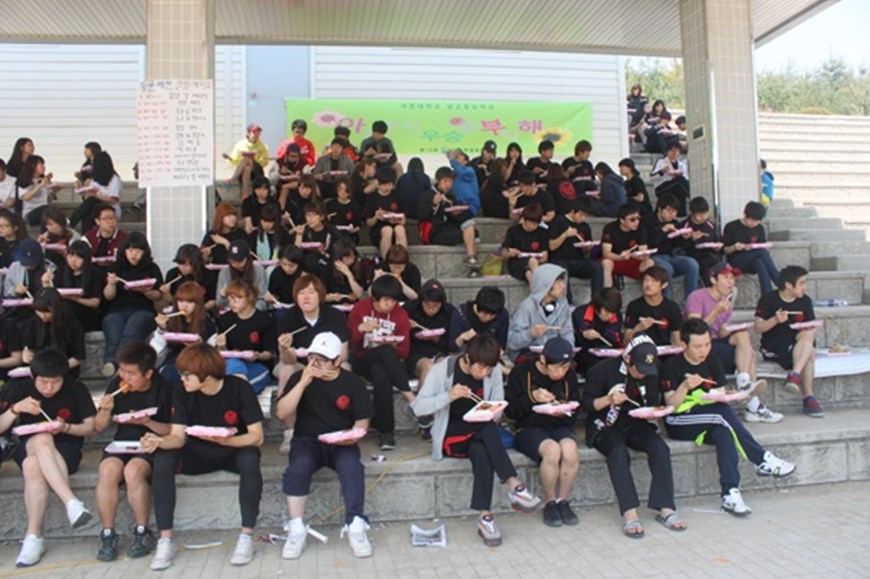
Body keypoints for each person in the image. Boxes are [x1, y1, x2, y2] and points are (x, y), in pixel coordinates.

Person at [411, 334, 542, 547]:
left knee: (482, 448)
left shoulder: (492, 371)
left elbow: (497, 407)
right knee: (486, 428)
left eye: (489, 368)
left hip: (480, 434)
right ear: (467, 358)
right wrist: (449, 396)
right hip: (450, 436)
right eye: (481, 367)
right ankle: (513, 484)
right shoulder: (442, 370)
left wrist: (493, 411)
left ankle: (485, 517)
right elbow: (418, 408)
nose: (485, 373)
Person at [142, 344, 264, 570]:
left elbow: (257, 436)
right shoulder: (182, 391)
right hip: (196, 451)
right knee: (163, 458)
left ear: (206, 376)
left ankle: (246, 535)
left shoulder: (239, 388)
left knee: (250, 457)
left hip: (231, 449)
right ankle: (166, 539)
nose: (183, 379)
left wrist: (227, 441)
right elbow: (177, 437)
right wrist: (158, 441)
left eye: (187, 375)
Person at [662, 318, 795, 516]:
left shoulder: (712, 360)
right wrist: (685, 386)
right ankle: (761, 459)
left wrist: (732, 395)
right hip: (679, 420)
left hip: (709, 416)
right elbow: (671, 405)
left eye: (707, 344)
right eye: (698, 346)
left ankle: (730, 493)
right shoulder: (672, 365)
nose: (703, 350)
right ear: (684, 344)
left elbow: (719, 394)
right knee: (721, 414)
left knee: (724, 433)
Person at [276, 332, 374, 559]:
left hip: (341, 440)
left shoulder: (352, 383)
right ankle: (297, 528)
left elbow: (362, 421)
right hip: (307, 440)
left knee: (352, 467)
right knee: (298, 467)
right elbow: (282, 413)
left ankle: (355, 524)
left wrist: (352, 436)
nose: (315, 364)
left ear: (337, 360)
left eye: (322, 360)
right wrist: (302, 383)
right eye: (312, 357)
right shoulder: (299, 378)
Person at [0, 348, 97, 567]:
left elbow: (90, 427)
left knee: (33, 465)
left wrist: (66, 427)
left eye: (56, 382)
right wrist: (15, 409)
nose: (49, 388)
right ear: (33, 377)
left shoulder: (76, 389)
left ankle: (33, 537)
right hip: (27, 445)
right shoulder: (18, 389)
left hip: (66, 449)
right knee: (41, 438)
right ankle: (71, 502)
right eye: (44, 382)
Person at [582, 337, 687, 537]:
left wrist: (654, 411)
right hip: (605, 424)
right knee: (618, 451)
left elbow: (652, 400)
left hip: (636, 422)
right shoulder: (603, 370)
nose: (642, 374)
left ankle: (666, 508)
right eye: (638, 369)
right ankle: (630, 513)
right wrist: (609, 399)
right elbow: (587, 405)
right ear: (628, 359)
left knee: (659, 447)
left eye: (646, 370)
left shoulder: (650, 372)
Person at [93, 341, 172, 562]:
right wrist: (105, 410)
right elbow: (99, 427)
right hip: (121, 443)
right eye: (122, 371)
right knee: (107, 471)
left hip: (150, 442)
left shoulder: (164, 388)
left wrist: (148, 422)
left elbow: (172, 430)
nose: (124, 377)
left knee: (133, 471)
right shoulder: (116, 386)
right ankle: (108, 533)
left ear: (148, 373)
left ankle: (142, 530)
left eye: (131, 373)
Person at [685, 263, 781, 425]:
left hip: (716, 343)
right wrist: (716, 312)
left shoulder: (726, 301)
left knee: (744, 338)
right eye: (726, 277)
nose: (731, 282)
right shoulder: (697, 297)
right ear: (713, 279)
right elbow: (693, 331)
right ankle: (753, 406)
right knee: (749, 354)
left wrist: (732, 329)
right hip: (699, 347)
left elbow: (721, 332)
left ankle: (744, 383)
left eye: (732, 278)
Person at [505, 336, 581, 527]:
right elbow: (511, 410)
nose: (561, 373)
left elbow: (575, 410)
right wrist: (532, 398)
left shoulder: (569, 376)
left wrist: (562, 411)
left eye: (565, 368)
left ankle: (563, 500)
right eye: (556, 368)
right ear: (543, 360)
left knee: (570, 449)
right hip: (529, 427)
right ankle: (550, 501)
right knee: (552, 450)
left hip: (558, 425)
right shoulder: (521, 372)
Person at [274, 274, 351, 453]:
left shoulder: (335, 316)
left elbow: (343, 353)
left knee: (345, 368)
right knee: (286, 370)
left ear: (321, 295)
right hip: (299, 364)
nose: (306, 297)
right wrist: (284, 348)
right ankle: (290, 432)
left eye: (311, 292)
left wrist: (325, 366)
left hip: (330, 364)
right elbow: (287, 360)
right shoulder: (287, 318)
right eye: (301, 293)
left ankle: (341, 426)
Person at [348, 274, 417, 450]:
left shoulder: (400, 314)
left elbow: (405, 352)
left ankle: (386, 433)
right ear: (375, 299)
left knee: (381, 371)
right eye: (386, 300)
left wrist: (393, 345)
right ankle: (411, 398)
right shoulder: (360, 308)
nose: (390, 304)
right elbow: (347, 343)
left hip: (386, 363)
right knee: (384, 354)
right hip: (361, 359)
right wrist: (361, 329)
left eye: (394, 300)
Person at [754, 265, 822, 417]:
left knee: (808, 335)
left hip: (798, 340)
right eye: (802, 283)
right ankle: (808, 398)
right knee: (809, 353)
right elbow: (758, 328)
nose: (805, 287)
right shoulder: (768, 299)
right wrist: (775, 320)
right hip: (775, 344)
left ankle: (794, 375)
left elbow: (810, 327)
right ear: (788, 285)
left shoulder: (805, 301)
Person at [101, 232, 163, 376]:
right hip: (116, 310)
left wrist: (147, 291)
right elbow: (108, 296)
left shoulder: (152, 268)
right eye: (130, 250)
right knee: (113, 333)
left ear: (144, 252)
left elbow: (159, 295)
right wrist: (111, 284)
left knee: (132, 331)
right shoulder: (115, 267)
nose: (133, 254)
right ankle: (111, 365)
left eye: (138, 251)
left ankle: (120, 365)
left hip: (143, 310)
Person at [417, 166, 481, 276]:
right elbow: (421, 216)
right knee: (469, 234)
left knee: (473, 230)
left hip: (447, 228)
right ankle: (472, 263)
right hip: (434, 231)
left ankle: (472, 260)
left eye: (450, 181)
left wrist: (455, 213)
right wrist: (433, 204)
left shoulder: (451, 196)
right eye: (445, 181)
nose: (448, 184)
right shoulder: (427, 195)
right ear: (438, 181)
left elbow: (452, 219)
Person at [216, 279, 275, 394]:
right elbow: (222, 353)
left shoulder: (264, 320)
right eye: (230, 298)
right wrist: (221, 346)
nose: (232, 302)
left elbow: (270, 353)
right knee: (233, 367)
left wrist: (257, 355)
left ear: (249, 298)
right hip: (232, 364)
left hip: (258, 365)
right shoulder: (225, 319)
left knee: (237, 387)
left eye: (237, 298)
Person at [507, 263, 573, 363]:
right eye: (558, 283)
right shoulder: (527, 307)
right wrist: (530, 334)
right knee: (536, 365)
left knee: (567, 365)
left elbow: (567, 333)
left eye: (563, 282)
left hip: (553, 353)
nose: (563, 286)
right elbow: (512, 342)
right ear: (546, 284)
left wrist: (568, 349)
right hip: (529, 352)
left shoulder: (563, 305)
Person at [155, 280, 215, 385]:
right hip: (173, 359)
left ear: (197, 304)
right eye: (180, 301)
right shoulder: (171, 319)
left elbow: (212, 351)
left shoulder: (206, 322)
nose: (184, 306)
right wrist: (162, 328)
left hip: (196, 360)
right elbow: (157, 348)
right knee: (167, 372)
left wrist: (200, 346)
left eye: (189, 302)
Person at [642, 193, 700, 299]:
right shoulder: (647, 222)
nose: (672, 214)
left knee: (692, 264)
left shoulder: (674, 223)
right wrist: (663, 230)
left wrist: (685, 238)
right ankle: (667, 302)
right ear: (659, 209)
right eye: (668, 210)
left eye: (674, 211)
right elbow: (649, 244)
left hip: (671, 256)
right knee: (666, 269)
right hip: (653, 257)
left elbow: (677, 245)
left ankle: (690, 300)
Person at [547, 197, 604, 302]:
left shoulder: (585, 226)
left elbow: (586, 252)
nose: (583, 218)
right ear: (573, 211)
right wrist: (565, 235)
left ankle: (597, 300)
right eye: (581, 214)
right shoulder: (558, 221)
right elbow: (551, 246)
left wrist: (587, 248)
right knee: (562, 268)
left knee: (596, 266)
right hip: (560, 259)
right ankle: (568, 302)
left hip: (578, 261)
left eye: (586, 216)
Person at [403, 279, 455, 393]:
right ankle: (423, 403)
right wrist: (406, 326)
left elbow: (452, 344)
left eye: (435, 306)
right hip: (415, 353)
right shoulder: (410, 308)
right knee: (428, 366)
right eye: (426, 305)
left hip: (439, 352)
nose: (430, 309)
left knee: (443, 366)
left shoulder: (449, 312)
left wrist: (436, 339)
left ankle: (440, 403)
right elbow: (399, 333)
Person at [21, 288, 86, 378]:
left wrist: (57, 369)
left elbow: (79, 357)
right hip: (39, 371)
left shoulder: (73, 325)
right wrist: (27, 354)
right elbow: (28, 347)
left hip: (64, 372)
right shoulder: (32, 323)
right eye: (38, 311)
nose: (42, 315)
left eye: (47, 312)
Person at [723, 201, 780, 294]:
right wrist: (735, 247)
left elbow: (761, 246)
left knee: (760, 263)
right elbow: (725, 250)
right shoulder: (731, 226)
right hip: (737, 261)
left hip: (753, 262)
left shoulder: (759, 228)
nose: (754, 223)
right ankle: (779, 280)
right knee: (761, 253)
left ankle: (767, 296)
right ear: (745, 215)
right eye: (752, 220)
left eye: (757, 221)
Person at [624, 266, 684, 348]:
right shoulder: (634, 306)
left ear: (664, 285)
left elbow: (677, 340)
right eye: (646, 280)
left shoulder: (672, 307)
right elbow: (626, 341)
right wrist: (639, 328)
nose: (648, 284)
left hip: (664, 350)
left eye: (653, 281)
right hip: (641, 350)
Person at [600, 203, 656, 288]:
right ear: (622, 220)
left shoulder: (640, 228)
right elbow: (606, 253)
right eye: (632, 219)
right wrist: (620, 257)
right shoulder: (610, 228)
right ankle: (607, 292)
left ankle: (649, 290)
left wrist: (641, 255)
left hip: (631, 260)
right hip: (614, 260)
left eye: (638, 218)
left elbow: (643, 250)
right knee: (606, 263)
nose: (636, 222)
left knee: (649, 263)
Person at [573, 288, 625, 376]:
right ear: (597, 307)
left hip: (608, 352)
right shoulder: (581, 313)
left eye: (613, 313)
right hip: (584, 353)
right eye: (606, 312)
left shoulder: (616, 316)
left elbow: (615, 338)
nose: (610, 316)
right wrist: (585, 334)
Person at [3, 239, 55, 325]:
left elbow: (55, 296)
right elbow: (6, 291)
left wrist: (47, 284)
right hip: (18, 309)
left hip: (42, 309)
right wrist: (15, 290)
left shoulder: (50, 269)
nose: (29, 265)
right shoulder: (15, 267)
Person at [54, 240, 103, 332]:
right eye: (71, 256)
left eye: (79, 257)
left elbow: (95, 302)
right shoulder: (60, 272)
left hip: (86, 312)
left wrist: (75, 299)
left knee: (68, 309)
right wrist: (46, 283)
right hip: (64, 311)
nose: (74, 260)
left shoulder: (94, 274)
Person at [70, 150, 122, 232]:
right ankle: (85, 238)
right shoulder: (94, 180)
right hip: (95, 209)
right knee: (87, 214)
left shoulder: (114, 179)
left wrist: (95, 195)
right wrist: (82, 189)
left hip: (110, 209)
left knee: (92, 201)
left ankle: (70, 223)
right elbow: (87, 198)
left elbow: (113, 199)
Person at [447, 286, 509, 353]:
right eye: (485, 313)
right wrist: (462, 337)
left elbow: (501, 345)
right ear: (477, 306)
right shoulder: (461, 314)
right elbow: (452, 347)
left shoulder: (502, 314)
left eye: (492, 315)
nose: (488, 318)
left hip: (490, 354)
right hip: (465, 353)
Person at [364, 167, 407, 258]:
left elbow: (403, 220)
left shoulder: (398, 196)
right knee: (387, 230)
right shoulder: (372, 198)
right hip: (378, 229)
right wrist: (376, 217)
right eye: (383, 184)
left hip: (395, 226)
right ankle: (386, 261)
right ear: (378, 184)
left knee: (400, 229)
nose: (386, 187)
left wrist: (397, 220)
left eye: (389, 184)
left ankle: (402, 259)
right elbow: (368, 223)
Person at [215, 239, 268, 311]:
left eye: (240, 261)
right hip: (231, 311)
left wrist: (250, 312)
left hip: (254, 311)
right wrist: (223, 296)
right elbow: (219, 303)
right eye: (232, 261)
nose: (236, 264)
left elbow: (262, 299)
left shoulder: (259, 272)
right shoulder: (224, 273)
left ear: (247, 258)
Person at [502, 203, 550, 283]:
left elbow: (545, 256)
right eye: (529, 223)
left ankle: (537, 289)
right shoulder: (513, 231)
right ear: (523, 219)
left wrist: (539, 258)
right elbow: (503, 253)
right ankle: (540, 286)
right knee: (532, 262)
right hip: (517, 262)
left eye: (535, 224)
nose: (532, 226)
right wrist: (511, 253)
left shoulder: (543, 232)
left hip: (536, 264)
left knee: (529, 274)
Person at [161, 243, 217, 309]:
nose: (182, 267)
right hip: (179, 311)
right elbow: (170, 302)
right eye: (179, 264)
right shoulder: (172, 274)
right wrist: (166, 293)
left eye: (186, 265)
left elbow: (213, 300)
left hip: (202, 310)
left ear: (196, 263)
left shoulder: (209, 275)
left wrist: (199, 310)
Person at [680, 196, 722, 286]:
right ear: (692, 213)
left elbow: (717, 241)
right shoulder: (685, 225)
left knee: (723, 270)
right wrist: (691, 239)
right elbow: (680, 247)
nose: (703, 217)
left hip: (709, 256)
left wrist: (717, 248)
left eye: (705, 213)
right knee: (707, 274)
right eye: (699, 214)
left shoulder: (710, 225)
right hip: (692, 257)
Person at [224, 123, 269, 198]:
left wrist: (254, 158)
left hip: (257, 172)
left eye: (258, 133)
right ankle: (245, 196)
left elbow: (265, 162)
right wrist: (229, 158)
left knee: (247, 159)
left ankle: (232, 180)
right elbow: (235, 161)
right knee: (247, 168)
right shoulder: (240, 144)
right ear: (248, 133)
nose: (256, 135)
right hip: (242, 172)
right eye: (254, 132)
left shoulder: (263, 146)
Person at [651, 143, 690, 216]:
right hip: (662, 187)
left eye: (676, 150)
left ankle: (681, 214)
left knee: (680, 186)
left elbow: (686, 179)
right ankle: (691, 194)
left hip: (676, 186)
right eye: (672, 150)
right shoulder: (661, 162)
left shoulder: (682, 165)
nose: (674, 153)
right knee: (679, 180)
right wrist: (662, 171)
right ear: (667, 152)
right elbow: (652, 177)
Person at [16, 154, 54, 226]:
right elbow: (25, 197)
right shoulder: (24, 180)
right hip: (30, 213)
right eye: (41, 164)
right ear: (32, 165)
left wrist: (54, 191)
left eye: (44, 164)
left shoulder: (44, 180)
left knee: (49, 213)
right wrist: (39, 186)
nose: (43, 167)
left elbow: (47, 199)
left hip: (45, 211)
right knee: (46, 211)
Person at [325, 177, 363, 244]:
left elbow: (358, 225)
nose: (343, 192)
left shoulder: (355, 206)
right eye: (340, 189)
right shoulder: (329, 204)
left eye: (346, 190)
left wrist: (354, 230)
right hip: (333, 234)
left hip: (350, 235)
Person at [447, 149, 481, 216]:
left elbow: (461, 172)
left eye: (458, 156)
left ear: (465, 161)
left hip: (469, 206)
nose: (456, 157)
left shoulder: (470, 170)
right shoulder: (454, 175)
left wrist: (452, 159)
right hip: (457, 206)